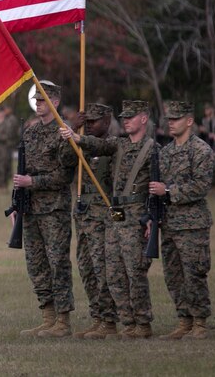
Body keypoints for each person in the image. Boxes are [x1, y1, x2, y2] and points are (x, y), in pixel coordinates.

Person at [62, 99, 157, 339]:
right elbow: (97, 145)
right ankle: (127, 323)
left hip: (136, 215)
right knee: (113, 273)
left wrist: (151, 219)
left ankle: (142, 323)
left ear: (143, 119)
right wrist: (77, 136)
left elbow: (156, 186)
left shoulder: (152, 148)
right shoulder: (119, 144)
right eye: (124, 116)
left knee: (134, 272)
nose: (125, 120)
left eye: (131, 116)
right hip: (117, 214)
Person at [11, 81, 77, 338]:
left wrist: (34, 182)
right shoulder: (30, 132)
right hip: (31, 207)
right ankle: (47, 317)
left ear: (55, 102)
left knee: (57, 262)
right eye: (36, 100)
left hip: (54, 208)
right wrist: (16, 202)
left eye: (43, 100)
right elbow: (21, 171)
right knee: (36, 263)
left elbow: (65, 176)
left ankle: (63, 320)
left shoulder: (63, 132)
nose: (38, 104)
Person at [150, 100, 214, 340]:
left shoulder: (201, 151)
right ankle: (184, 320)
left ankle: (200, 322)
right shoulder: (165, 152)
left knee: (194, 273)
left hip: (192, 225)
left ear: (189, 121)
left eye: (176, 119)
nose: (171, 123)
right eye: (169, 119)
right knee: (173, 274)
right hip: (169, 224)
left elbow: (200, 186)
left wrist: (167, 192)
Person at [71, 103, 118, 340]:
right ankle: (97, 318)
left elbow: (104, 146)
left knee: (103, 270)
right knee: (87, 269)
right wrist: (72, 128)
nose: (89, 126)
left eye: (94, 121)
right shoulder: (82, 144)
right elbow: (63, 158)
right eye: (86, 122)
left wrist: (79, 139)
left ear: (107, 121)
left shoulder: (113, 144)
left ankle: (109, 320)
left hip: (103, 220)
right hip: (83, 219)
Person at [0, 103, 19, 190]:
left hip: (5, 147)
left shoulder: (8, 122)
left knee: (4, 166)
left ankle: (4, 185)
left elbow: (9, 136)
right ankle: (0, 185)